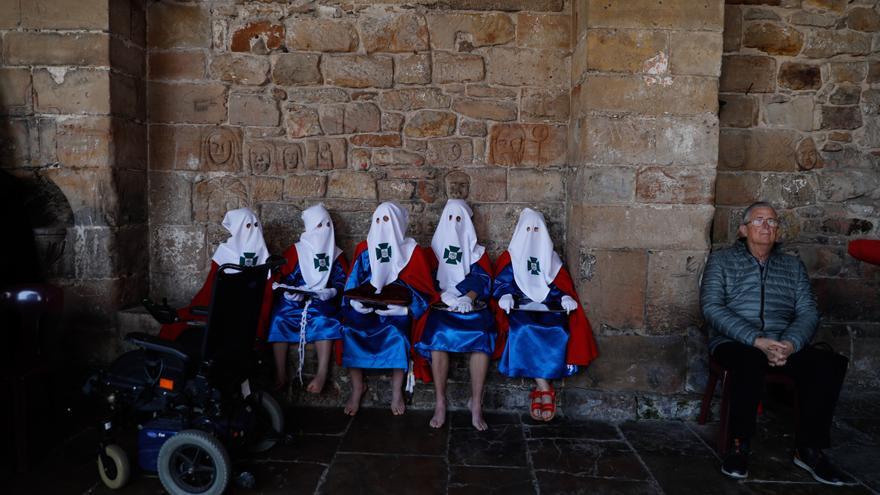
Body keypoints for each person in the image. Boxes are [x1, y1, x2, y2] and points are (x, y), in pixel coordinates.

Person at [701, 202, 850, 485]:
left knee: (829, 364)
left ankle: (808, 449)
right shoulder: (721, 261)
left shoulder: (792, 266)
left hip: (783, 343)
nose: (767, 226)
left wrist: (790, 344)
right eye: (759, 221)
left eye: (772, 221)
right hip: (735, 341)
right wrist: (756, 340)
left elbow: (808, 312)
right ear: (743, 230)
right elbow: (711, 308)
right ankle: (738, 445)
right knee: (750, 359)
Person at [492, 208, 598, 422]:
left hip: (549, 306)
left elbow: (560, 284)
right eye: (528, 229)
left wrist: (565, 297)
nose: (532, 234)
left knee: (558, 329)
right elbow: (503, 283)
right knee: (524, 329)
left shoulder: (551, 258)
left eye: (536, 229)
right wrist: (505, 295)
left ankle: (541, 389)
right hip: (520, 307)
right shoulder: (511, 256)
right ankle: (545, 388)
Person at [339, 202, 438, 416]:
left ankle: (396, 391)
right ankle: (357, 388)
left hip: (397, 308)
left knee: (397, 332)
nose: (382, 225)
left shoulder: (412, 251)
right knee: (350, 329)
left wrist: (405, 310)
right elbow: (353, 282)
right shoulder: (364, 248)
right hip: (368, 305)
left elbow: (424, 290)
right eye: (378, 220)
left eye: (388, 220)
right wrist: (354, 302)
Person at [414, 200, 496, 431]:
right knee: (438, 335)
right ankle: (440, 402)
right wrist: (442, 295)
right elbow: (423, 281)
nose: (454, 224)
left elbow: (483, 280)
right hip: (441, 307)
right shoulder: (432, 253)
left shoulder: (477, 253)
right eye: (450, 218)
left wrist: (466, 297)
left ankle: (476, 402)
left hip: (469, 308)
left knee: (481, 335)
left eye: (459, 219)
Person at [158, 207, 272, 344]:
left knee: (173, 325)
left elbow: (209, 292)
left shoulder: (225, 253)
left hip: (222, 317)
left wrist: (193, 310)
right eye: (248, 226)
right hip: (253, 320)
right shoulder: (265, 257)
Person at [266, 204, 348, 393]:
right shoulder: (296, 251)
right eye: (319, 225)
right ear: (310, 228)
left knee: (323, 319)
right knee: (279, 316)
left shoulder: (336, 253)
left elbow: (343, 280)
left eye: (328, 225)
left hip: (322, 301)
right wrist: (289, 292)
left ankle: (321, 374)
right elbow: (284, 277)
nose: (325, 229)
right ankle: (280, 373)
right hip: (297, 301)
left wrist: (333, 291)